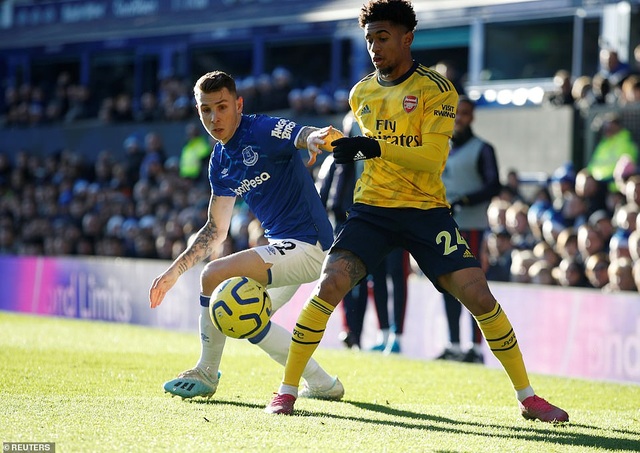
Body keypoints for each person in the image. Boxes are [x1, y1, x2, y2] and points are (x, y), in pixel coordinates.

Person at [265, 0, 569, 424]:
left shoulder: (437, 90)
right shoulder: (361, 94)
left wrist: (373, 146)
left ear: (407, 38)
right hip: (372, 210)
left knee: (480, 297)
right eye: (369, 38)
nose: (374, 46)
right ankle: (286, 391)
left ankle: (529, 398)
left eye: (383, 37)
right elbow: (365, 149)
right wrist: (336, 145)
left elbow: (430, 158)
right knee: (329, 285)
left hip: (427, 212)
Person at [149, 70, 344, 402]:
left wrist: (315, 139)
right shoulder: (220, 161)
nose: (214, 117)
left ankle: (206, 371)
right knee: (247, 317)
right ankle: (323, 383)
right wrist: (174, 272)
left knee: (214, 275)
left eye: (222, 106)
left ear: (238, 104)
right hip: (284, 248)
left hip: (311, 245)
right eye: (206, 110)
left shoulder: (262, 129)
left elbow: (302, 133)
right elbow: (215, 230)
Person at [437, 96, 501, 363]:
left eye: (464, 114)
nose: (458, 119)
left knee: (473, 286)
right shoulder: (439, 148)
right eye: (455, 114)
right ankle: (453, 344)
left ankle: (475, 348)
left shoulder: (482, 149)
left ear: (472, 117)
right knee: (447, 284)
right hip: (443, 226)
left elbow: (493, 185)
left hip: (471, 227)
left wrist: (465, 200)